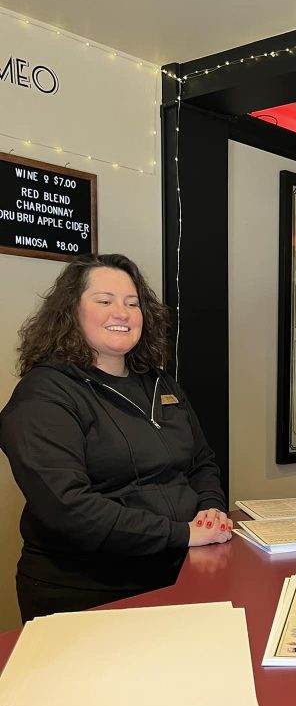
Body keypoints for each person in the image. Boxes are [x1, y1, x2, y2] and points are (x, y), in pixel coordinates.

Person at [0, 253, 232, 622]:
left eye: (132, 303)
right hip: (89, 590)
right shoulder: (44, 393)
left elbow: (201, 461)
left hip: (181, 571)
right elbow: (67, 508)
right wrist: (180, 533)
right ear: (71, 312)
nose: (121, 313)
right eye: (104, 301)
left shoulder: (160, 382)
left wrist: (210, 509)